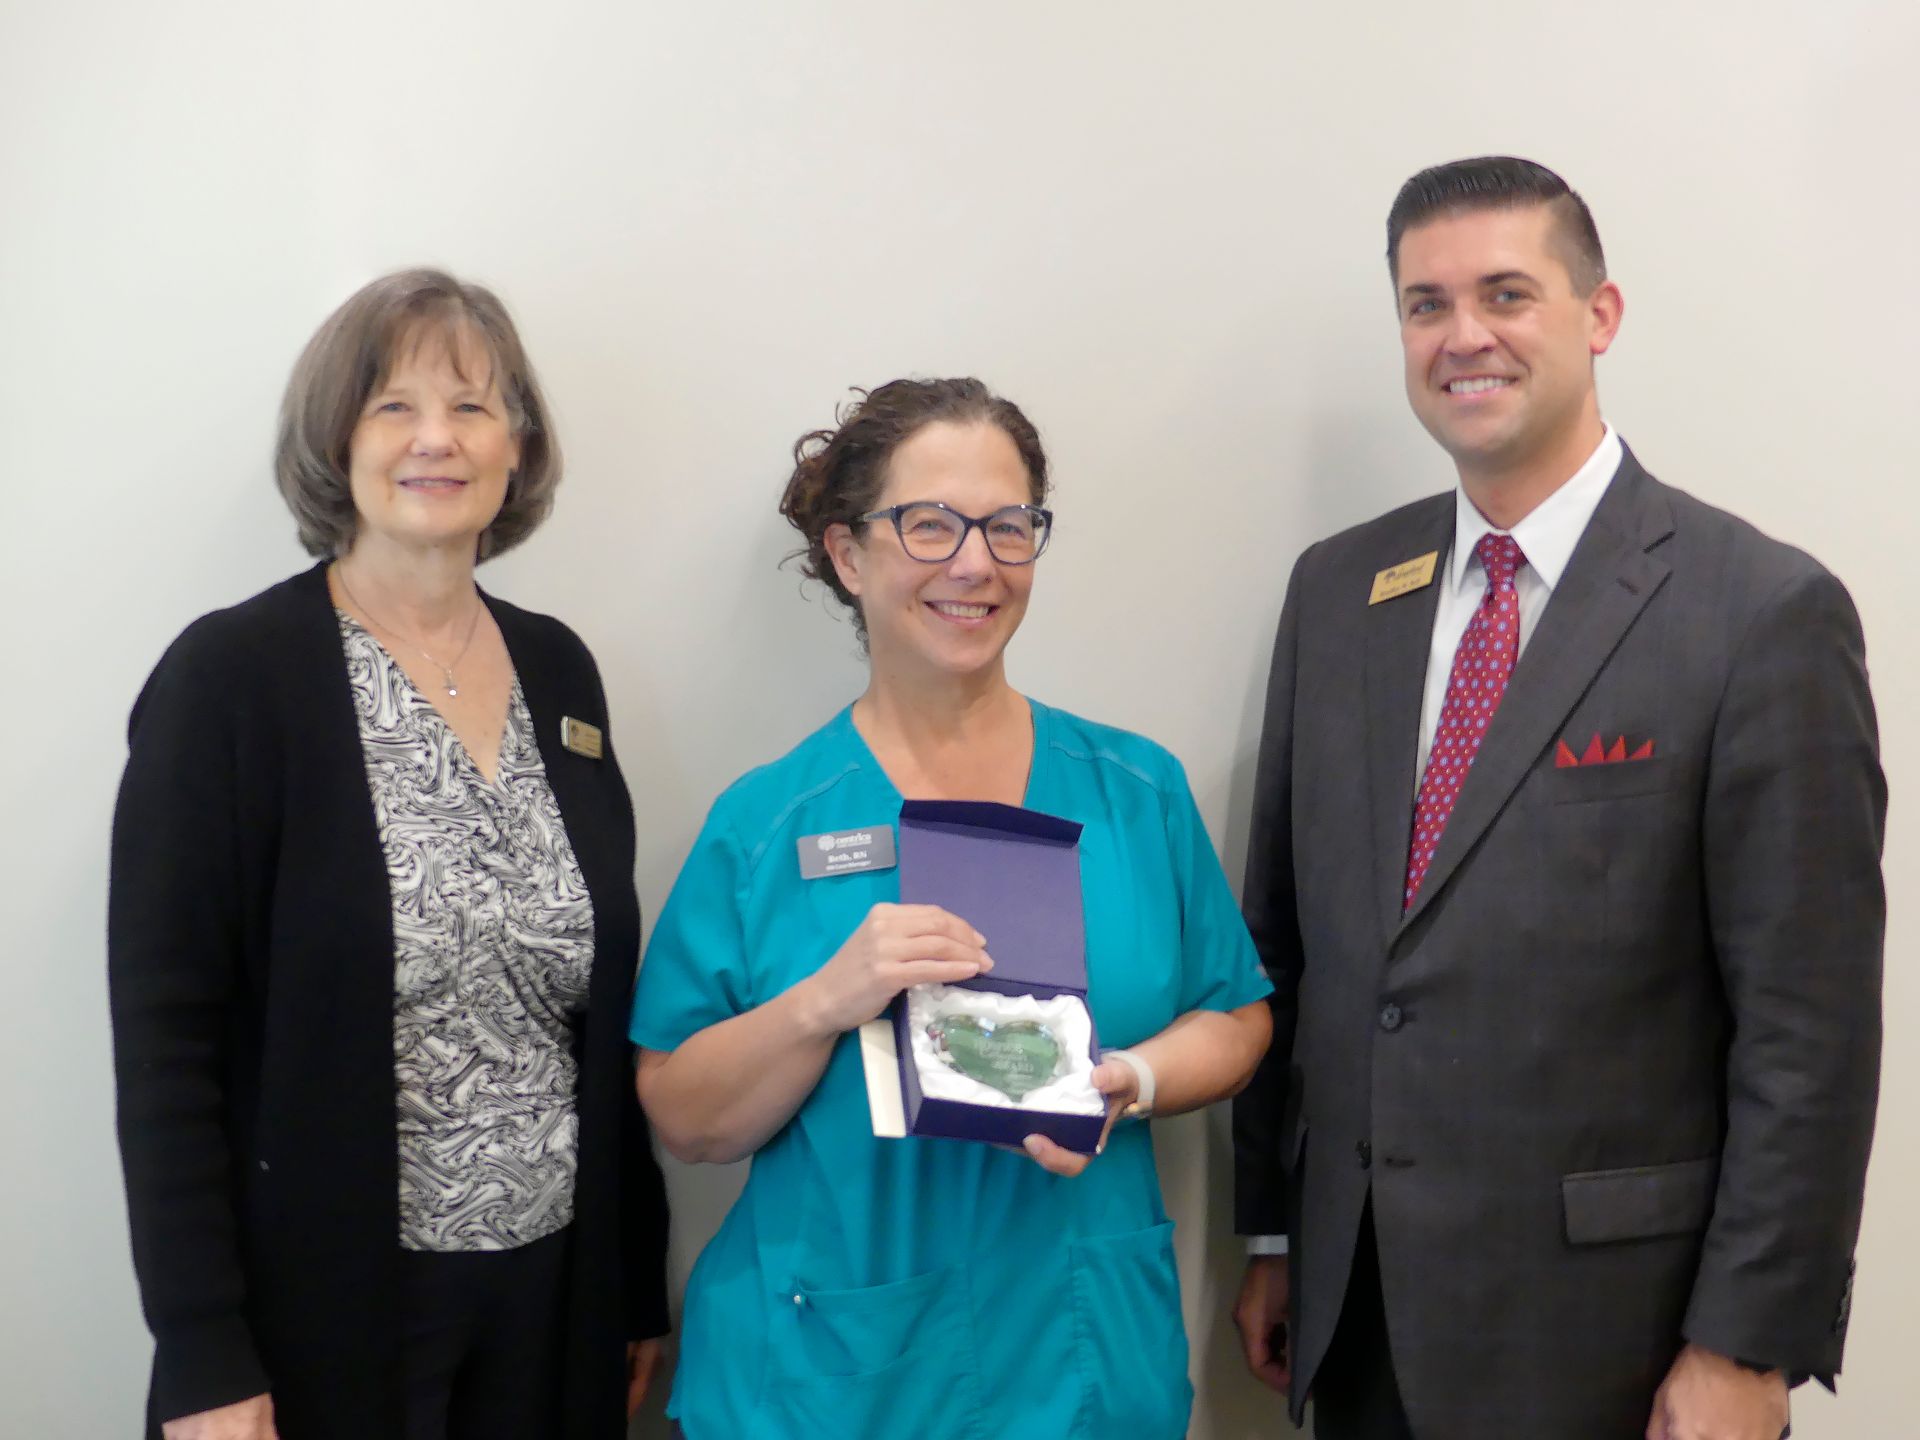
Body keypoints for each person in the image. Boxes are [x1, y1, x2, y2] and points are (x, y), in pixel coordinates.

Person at [1230, 156, 1884, 1440]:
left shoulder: (1759, 611)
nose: (1462, 336)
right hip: (1356, 1313)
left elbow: (1810, 1030)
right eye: (1426, 304)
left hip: (1616, 1340)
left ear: (1600, 316)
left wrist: (1747, 1345)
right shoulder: (1338, 592)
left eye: (1506, 293)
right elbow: (1286, 947)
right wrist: (1274, 1224)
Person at [630, 377, 1272, 1439]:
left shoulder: (1133, 791)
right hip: (835, 1375)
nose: (974, 562)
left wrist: (1130, 1084)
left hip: (1081, 1355)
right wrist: (823, 1003)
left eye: (1008, 526)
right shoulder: (769, 823)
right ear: (848, 554)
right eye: (930, 524)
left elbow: (1237, 1015)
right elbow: (685, 1116)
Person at [109, 269, 670, 1440]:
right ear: (338, 440)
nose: (436, 440)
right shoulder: (233, 681)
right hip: (327, 1312)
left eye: (471, 407)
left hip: (555, 1299)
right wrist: (204, 1353)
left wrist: (632, 1278)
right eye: (393, 407)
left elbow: (598, 1012)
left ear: (517, 446)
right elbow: (168, 1042)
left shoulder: (561, 673)